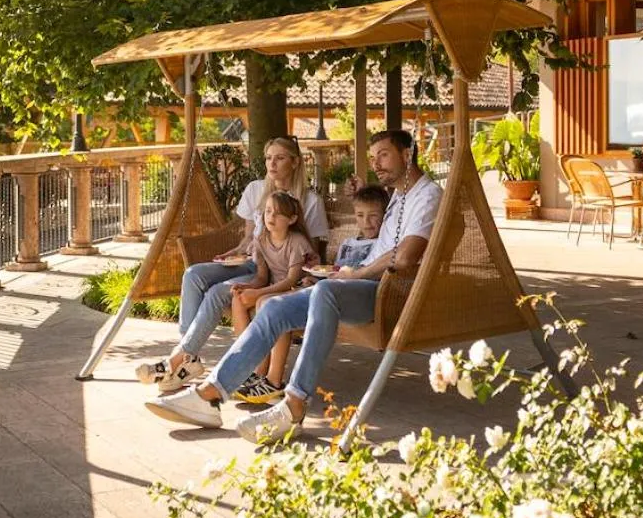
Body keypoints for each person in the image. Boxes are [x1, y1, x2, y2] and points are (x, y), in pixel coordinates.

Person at [146, 129, 440, 443]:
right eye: (373, 156)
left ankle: (295, 404)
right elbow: (379, 236)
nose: (376, 163)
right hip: (359, 284)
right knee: (274, 305)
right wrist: (346, 271)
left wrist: (356, 274)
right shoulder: (398, 195)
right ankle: (209, 395)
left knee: (326, 292)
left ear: (407, 154)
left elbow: (406, 256)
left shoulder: (427, 195)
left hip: (387, 293)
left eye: (383, 154)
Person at [134, 136, 329, 394]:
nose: (272, 163)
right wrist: (238, 249)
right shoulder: (255, 189)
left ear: (295, 162)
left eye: (280, 158)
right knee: (193, 274)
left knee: (217, 293)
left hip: (277, 269)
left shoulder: (309, 200)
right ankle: (187, 355)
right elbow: (249, 235)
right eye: (269, 157)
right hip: (251, 261)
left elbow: (310, 249)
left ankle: (179, 359)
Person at [233, 183, 389, 406]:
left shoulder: (382, 246)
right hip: (327, 291)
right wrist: (315, 273)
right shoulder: (348, 244)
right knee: (270, 303)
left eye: (374, 216)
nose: (366, 222)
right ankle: (260, 375)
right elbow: (335, 272)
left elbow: (363, 276)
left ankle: (273, 381)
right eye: (360, 215)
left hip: (351, 300)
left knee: (276, 306)